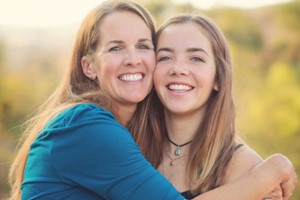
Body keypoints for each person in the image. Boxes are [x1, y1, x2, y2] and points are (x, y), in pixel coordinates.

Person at [8, 0, 297, 200]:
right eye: (116, 48)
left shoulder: (240, 164)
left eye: (143, 46)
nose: (133, 59)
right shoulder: (87, 127)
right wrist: (274, 170)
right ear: (88, 66)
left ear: (219, 77)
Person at [141, 13, 297, 199]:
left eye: (196, 58)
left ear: (218, 79)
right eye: (165, 57)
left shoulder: (246, 167)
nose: (178, 69)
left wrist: (270, 172)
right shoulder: (132, 147)